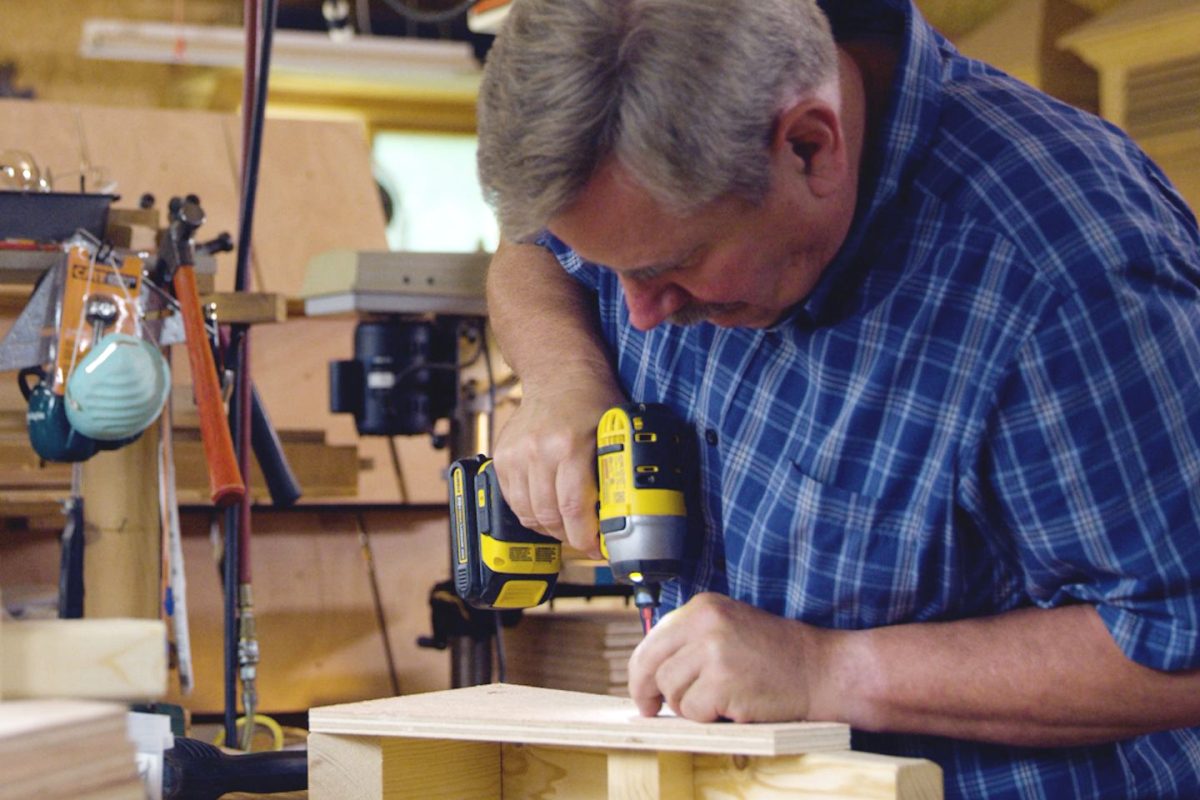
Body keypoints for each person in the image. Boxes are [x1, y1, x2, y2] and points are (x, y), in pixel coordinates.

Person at [474, 0, 1200, 797]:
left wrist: (830, 670)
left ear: (810, 147)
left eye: (670, 268)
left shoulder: (1063, 274)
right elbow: (529, 255)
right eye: (610, 267)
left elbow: (1178, 645)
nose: (640, 313)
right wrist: (560, 376)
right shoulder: (650, 186)